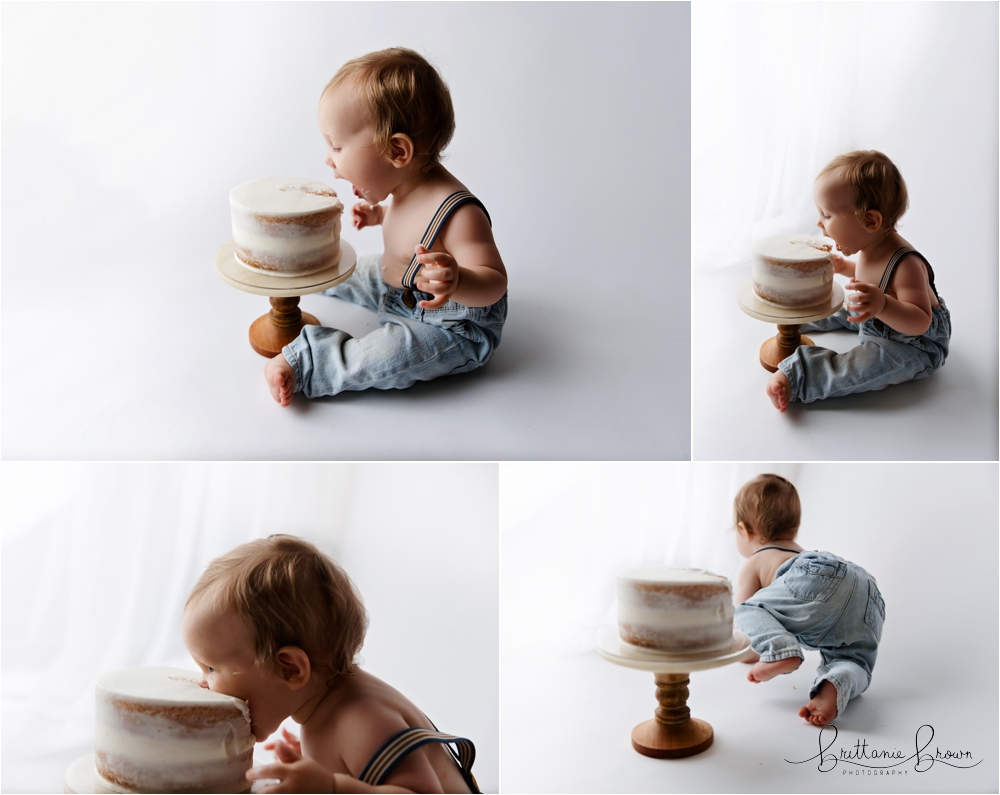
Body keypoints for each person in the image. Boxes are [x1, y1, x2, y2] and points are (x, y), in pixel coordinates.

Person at [265, 48, 508, 405]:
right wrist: (378, 216)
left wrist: (459, 280)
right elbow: (407, 221)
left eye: (337, 146)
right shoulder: (405, 184)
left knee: (387, 357)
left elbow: (495, 282)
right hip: (395, 287)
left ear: (397, 151)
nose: (328, 160)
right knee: (344, 268)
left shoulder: (459, 213)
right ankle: (308, 271)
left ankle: (309, 361)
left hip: (445, 324)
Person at [181, 535, 479, 793]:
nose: (203, 683)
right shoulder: (326, 705)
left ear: (290, 668)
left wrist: (332, 787)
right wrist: (324, 768)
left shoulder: (362, 720)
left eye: (210, 668)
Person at [767, 150, 950, 411]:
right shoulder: (870, 245)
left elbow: (921, 321)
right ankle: (798, 316)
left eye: (827, 215)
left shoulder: (906, 265)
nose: (819, 222)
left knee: (862, 367)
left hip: (914, 344)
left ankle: (799, 375)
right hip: (879, 317)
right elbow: (870, 274)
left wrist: (883, 305)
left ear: (870, 221)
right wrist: (845, 267)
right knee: (845, 306)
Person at [731, 474, 885, 724]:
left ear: (743, 530)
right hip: (868, 592)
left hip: (820, 582)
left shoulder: (756, 562)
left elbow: (746, 636)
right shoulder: (801, 555)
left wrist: (751, 650)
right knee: (853, 661)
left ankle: (780, 652)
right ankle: (839, 681)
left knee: (744, 612)